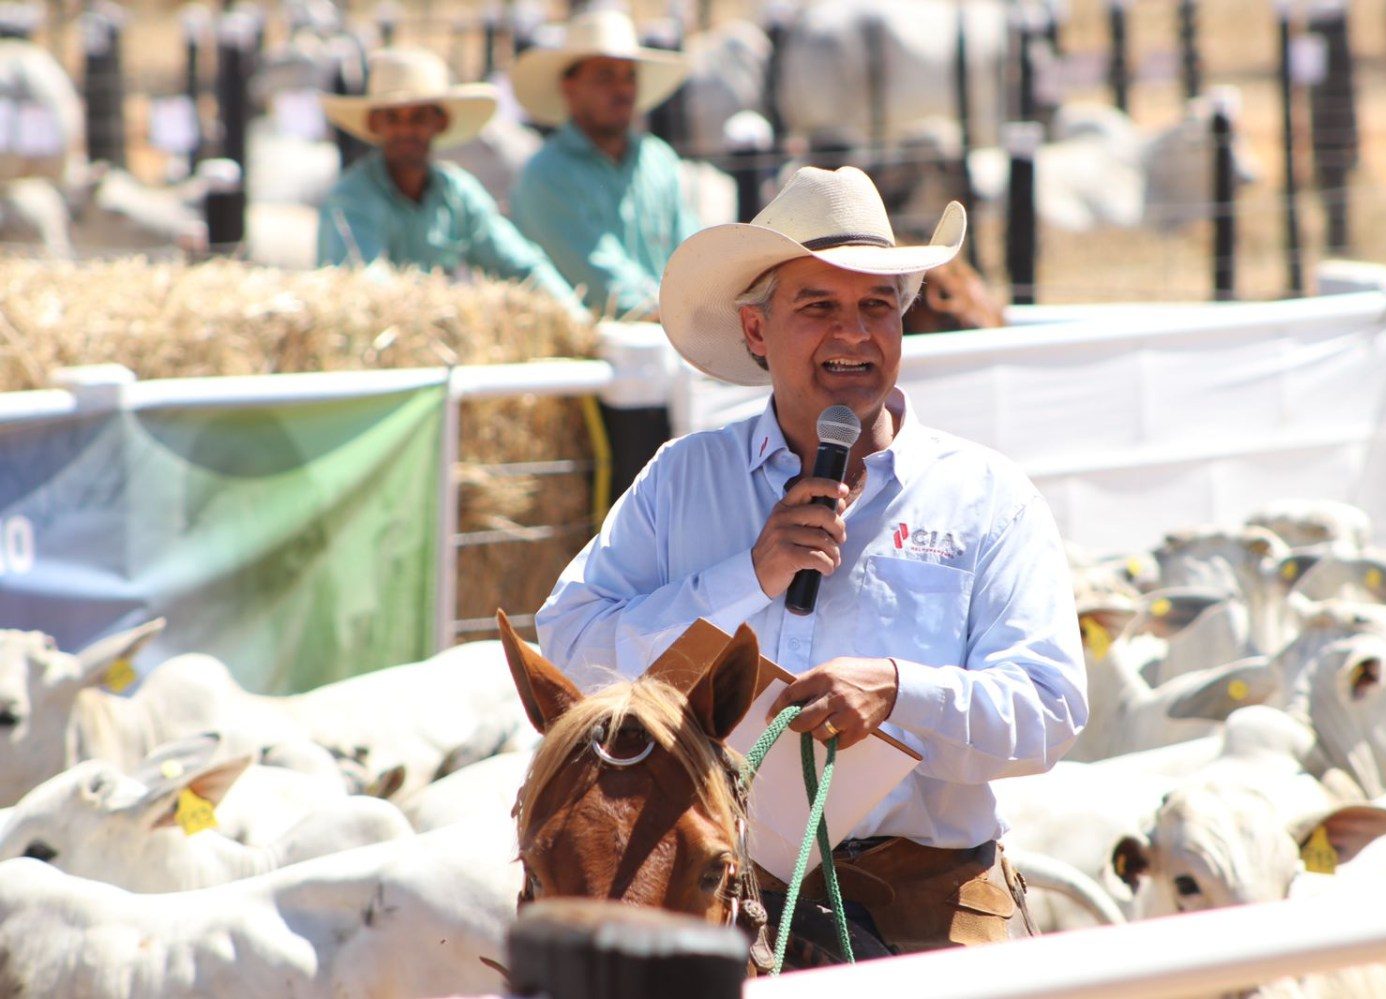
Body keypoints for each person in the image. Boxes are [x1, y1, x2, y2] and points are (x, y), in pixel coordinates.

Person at [536, 165, 1087, 953]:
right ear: (757, 332)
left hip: (932, 891)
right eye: (818, 306)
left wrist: (901, 691)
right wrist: (744, 579)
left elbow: (1049, 711)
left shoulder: (986, 496)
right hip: (721, 884)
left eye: (875, 307)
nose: (854, 334)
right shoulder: (683, 479)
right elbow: (570, 645)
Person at [317, 47, 584, 315]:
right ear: (376, 124)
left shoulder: (457, 192)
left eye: (419, 117)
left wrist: (574, 317)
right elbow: (364, 288)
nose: (406, 130)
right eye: (393, 118)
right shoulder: (351, 199)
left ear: (440, 123)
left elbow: (520, 265)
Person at [509, 10, 698, 317]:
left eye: (629, 76)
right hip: (589, 353)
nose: (622, 89)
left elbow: (694, 252)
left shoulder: (658, 158)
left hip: (672, 332)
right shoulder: (545, 175)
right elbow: (601, 284)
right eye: (605, 76)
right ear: (569, 88)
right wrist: (683, 313)